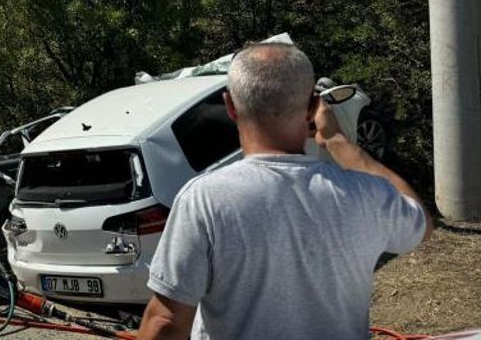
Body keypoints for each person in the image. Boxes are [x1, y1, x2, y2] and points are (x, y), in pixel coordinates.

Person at [137, 42, 430, 340]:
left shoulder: (204, 199)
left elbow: (166, 323)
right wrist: (339, 142)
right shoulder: (368, 194)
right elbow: (420, 222)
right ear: (313, 107)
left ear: (230, 106)